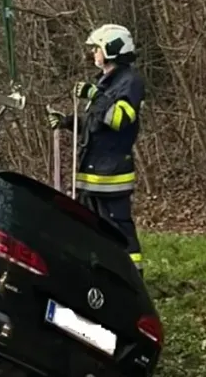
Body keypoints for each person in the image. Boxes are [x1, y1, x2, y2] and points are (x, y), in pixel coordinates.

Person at [49, 23, 145, 267]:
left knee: (118, 229)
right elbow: (96, 126)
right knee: (89, 228)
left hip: (110, 175)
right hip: (92, 173)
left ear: (112, 49)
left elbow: (119, 119)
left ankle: (133, 279)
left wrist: (95, 96)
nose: (94, 53)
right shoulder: (106, 82)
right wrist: (67, 122)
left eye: (97, 49)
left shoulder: (129, 82)